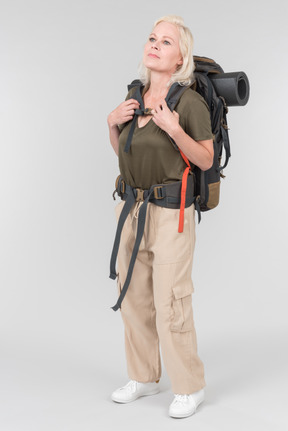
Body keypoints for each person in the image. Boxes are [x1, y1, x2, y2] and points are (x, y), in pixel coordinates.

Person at [107, 15, 214, 419]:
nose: (155, 44)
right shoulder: (134, 96)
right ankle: (145, 376)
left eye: (166, 42)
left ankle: (190, 386)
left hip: (172, 215)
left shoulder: (189, 103)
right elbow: (125, 154)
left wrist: (173, 128)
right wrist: (112, 124)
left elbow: (204, 158)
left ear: (180, 57)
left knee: (171, 302)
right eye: (152, 38)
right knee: (134, 298)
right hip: (131, 210)